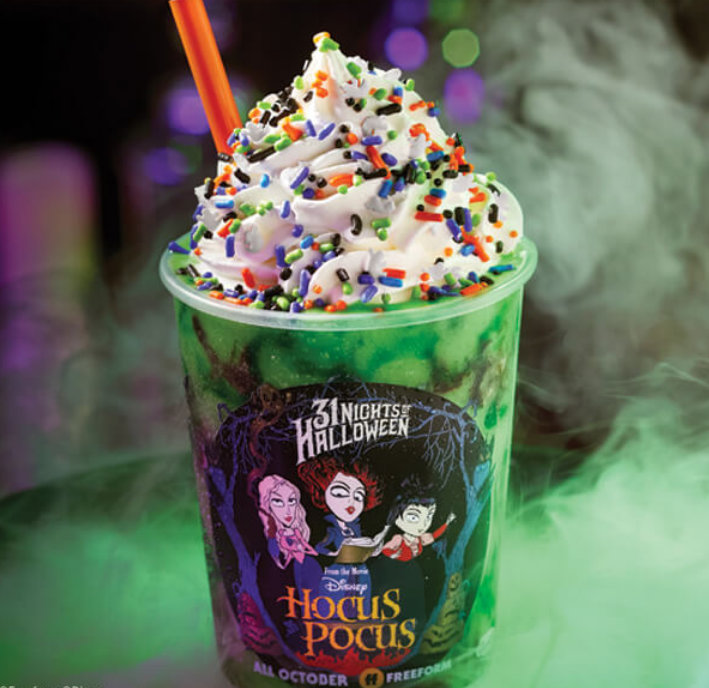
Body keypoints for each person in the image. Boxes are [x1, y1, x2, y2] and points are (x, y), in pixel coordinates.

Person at [382, 475, 456, 561]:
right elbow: (384, 549)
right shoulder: (399, 539)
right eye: (413, 518)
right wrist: (393, 555)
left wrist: (447, 523)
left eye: (428, 516)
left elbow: (435, 535)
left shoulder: (416, 539)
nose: (423, 526)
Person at [258, 474, 318, 569]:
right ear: (268, 505)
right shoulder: (272, 534)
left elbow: (310, 549)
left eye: (291, 500)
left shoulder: (298, 531)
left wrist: (307, 551)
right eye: (278, 502)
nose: (288, 511)